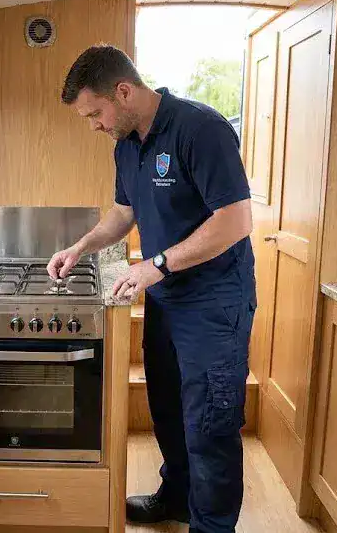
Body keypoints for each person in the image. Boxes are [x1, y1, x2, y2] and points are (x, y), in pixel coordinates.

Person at [47, 45, 256, 533]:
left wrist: (156, 264)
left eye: (95, 113)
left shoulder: (200, 129)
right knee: (167, 409)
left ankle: (212, 527)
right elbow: (124, 213)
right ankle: (177, 499)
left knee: (211, 424)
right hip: (168, 300)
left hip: (214, 303)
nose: (94, 124)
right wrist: (81, 248)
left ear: (123, 92)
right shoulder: (126, 144)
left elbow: (237, 219)